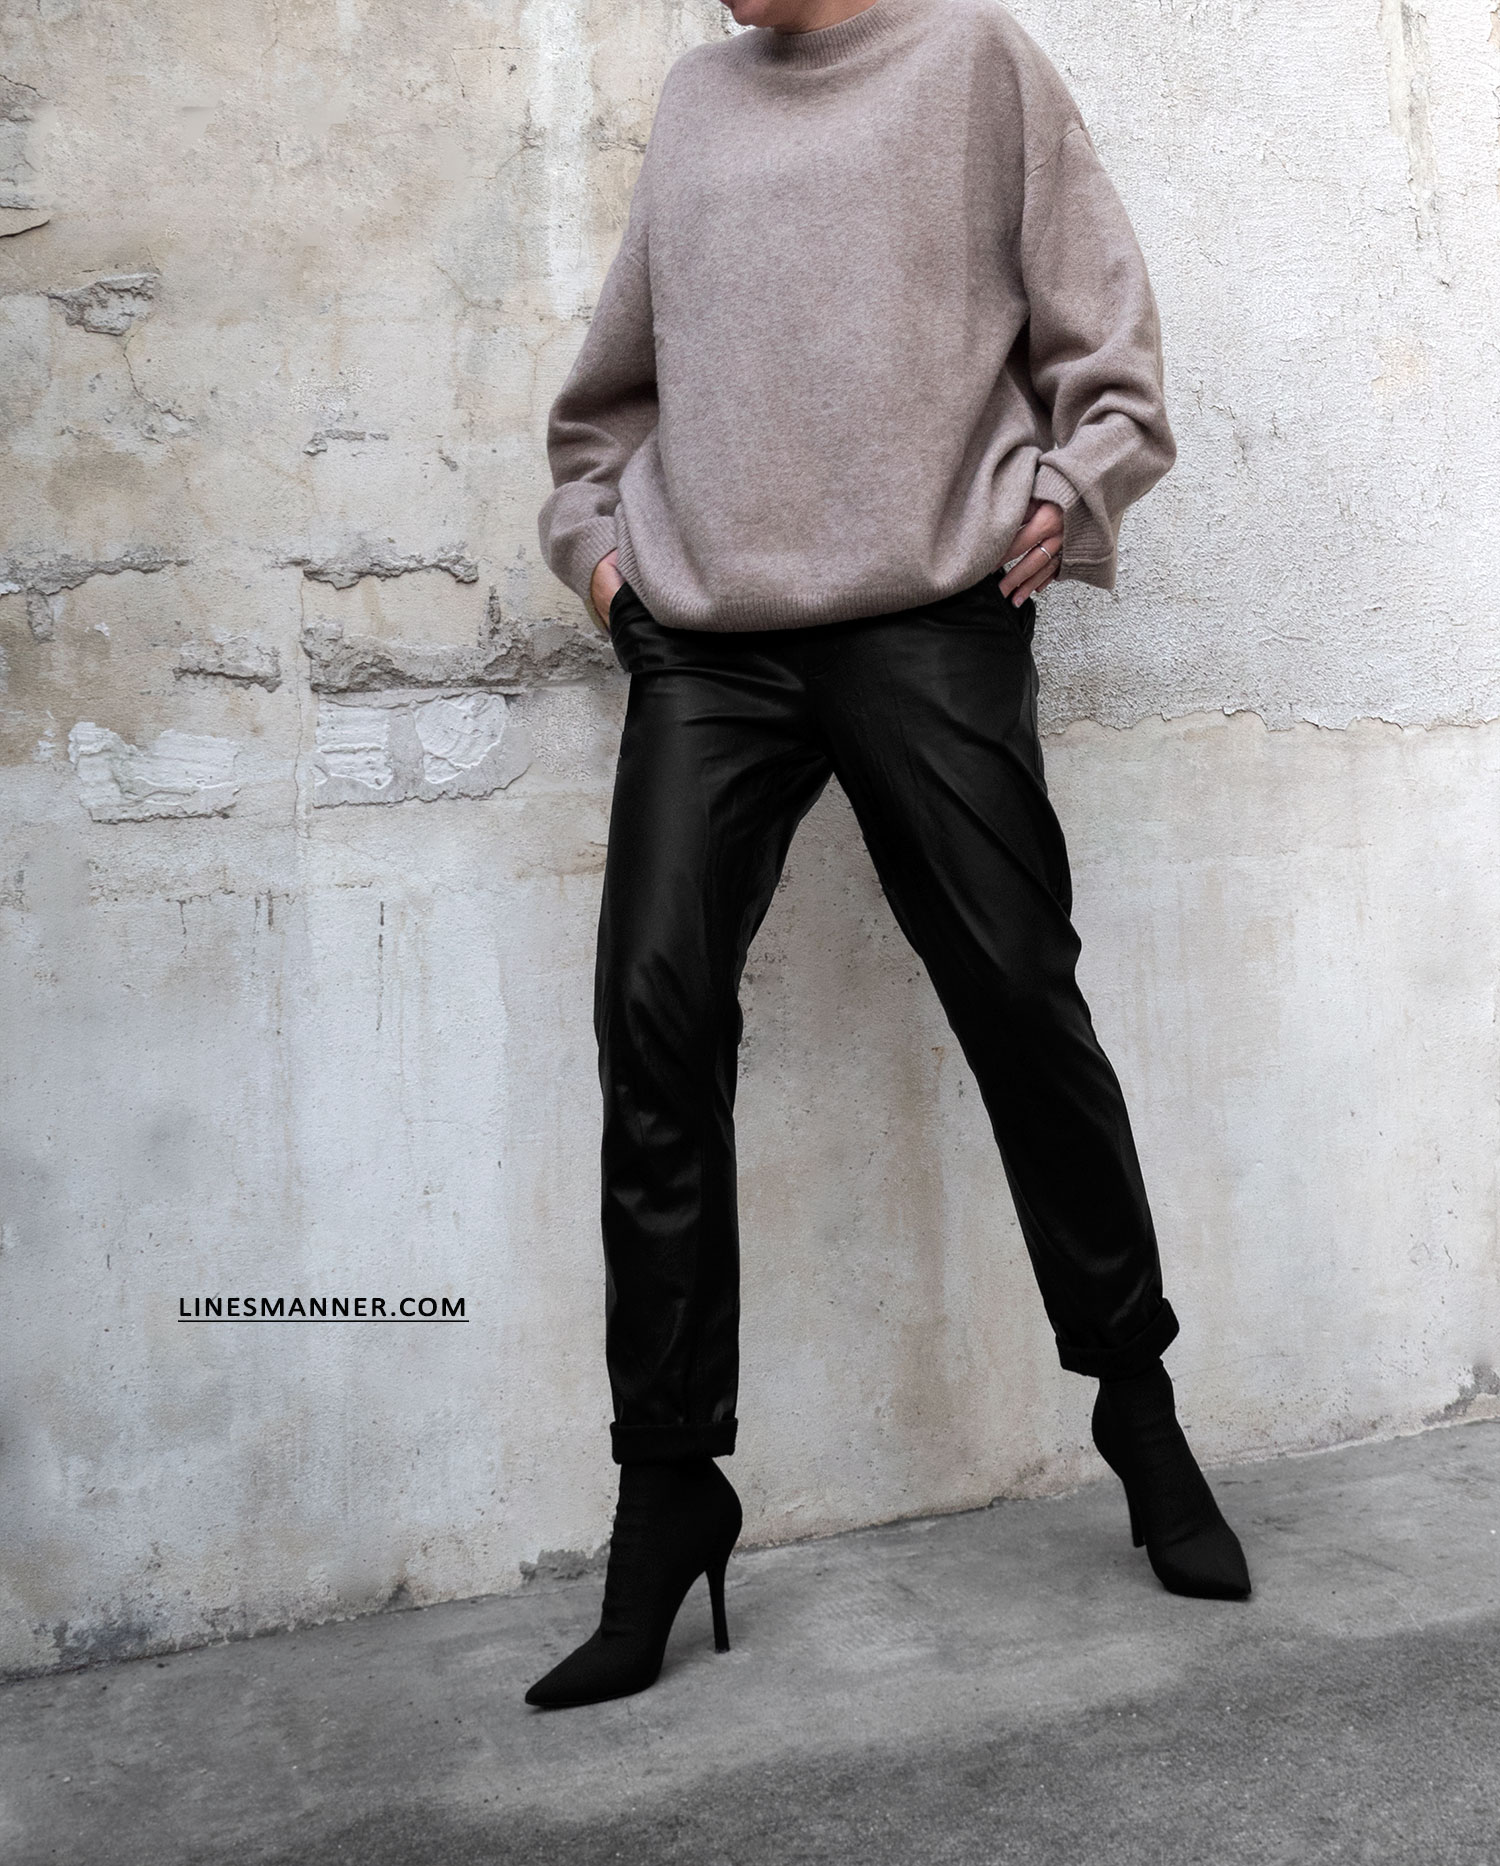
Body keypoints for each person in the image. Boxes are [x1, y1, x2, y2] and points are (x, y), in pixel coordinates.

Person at [526, 0, 1250, 1712]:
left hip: (930, 614)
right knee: (653, 1015)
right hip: (711, 642)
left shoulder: (975, 65)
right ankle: (667, 1489)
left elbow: (1107, 339)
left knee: (1017, 995)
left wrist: (1074, 484)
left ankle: (1138, 1406)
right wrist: (603, 560)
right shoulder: (699, 102)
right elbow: (606, 404)